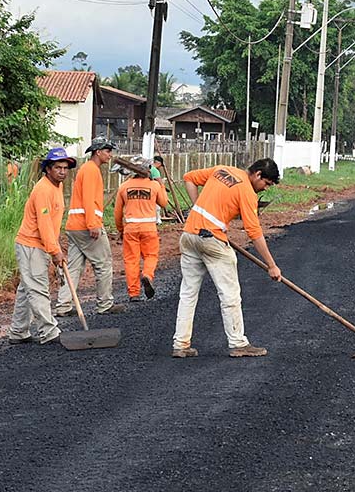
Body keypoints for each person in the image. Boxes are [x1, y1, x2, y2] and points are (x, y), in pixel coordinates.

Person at [172, 158, 282, 358]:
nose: (264, 189)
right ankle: (238, 343)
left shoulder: (221, 169)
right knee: (230, 295)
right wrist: (271, 265)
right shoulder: (247, 191)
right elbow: (254, 231)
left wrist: (197, 208)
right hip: (212, 240)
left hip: (189, 234)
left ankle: (180, 344)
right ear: (258, 174)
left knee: (188, 293)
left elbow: (189, 178)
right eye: (266, 183)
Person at [8, 148, 74, 346]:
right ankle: (49, 331)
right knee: (37, 288)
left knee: (26, 288)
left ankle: (18, 331)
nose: (62, 171)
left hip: (42, 245)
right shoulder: (43, 190)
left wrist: (55, 246)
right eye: (57, 168)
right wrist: (55, 251)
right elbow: (44, 224)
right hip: (31, 245)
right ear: (48, 169)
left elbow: (52, 224)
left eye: (65, 168)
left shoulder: (57, 187)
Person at [55, 138, 126, 316]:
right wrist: (93, 224)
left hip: (75, 226)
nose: (110, 155)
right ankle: (105, 304)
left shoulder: (88, 170)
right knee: (103, 263)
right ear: (97, 152)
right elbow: (88, 198)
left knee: (73, 267)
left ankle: (63, 305)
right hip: (86, 226)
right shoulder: (90, 170)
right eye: (108, 151)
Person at [114, 156, 168, 302]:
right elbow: (163, 203)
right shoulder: (154, 186)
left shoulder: (124, 187)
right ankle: (147, 275)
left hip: (130, 228)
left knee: (131, 260)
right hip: (149, 228)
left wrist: (120, 229)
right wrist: (161, 184)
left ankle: (134, 293)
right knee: (151, 256)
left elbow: (117, 213)